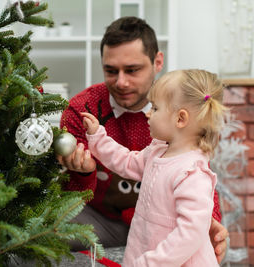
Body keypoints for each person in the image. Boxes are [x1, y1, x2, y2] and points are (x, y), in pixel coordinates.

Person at [57, 16, 228, 263]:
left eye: (133, 70)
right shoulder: (83, 110)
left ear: (158, 61)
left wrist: (209, 220)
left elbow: (195, 190)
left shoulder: (184, 117)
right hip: (111, 222)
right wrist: (86, 164)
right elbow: (125, 162)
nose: (122, 81)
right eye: (111, 71)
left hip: (166, 230)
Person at [81, 69, 226, 266]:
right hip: (145, 252)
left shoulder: (192, 173)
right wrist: (98, 137)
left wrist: (151, 262)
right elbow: (126, 162)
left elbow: (190, 234)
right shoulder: (157, 152)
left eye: (156, 108)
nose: (148, 114)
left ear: (180, 119)